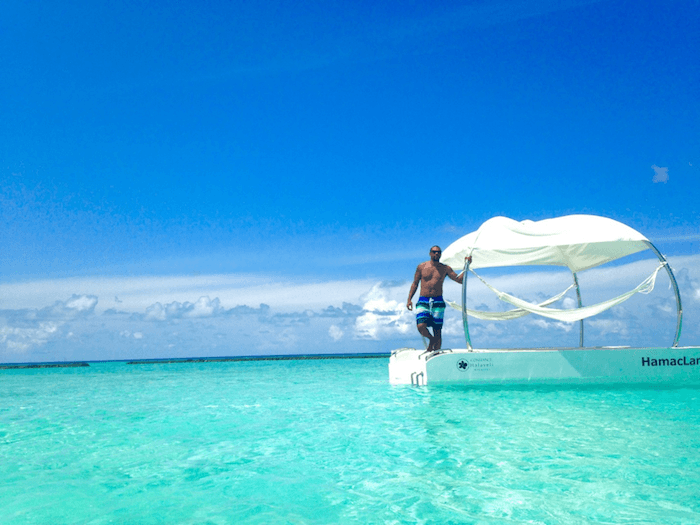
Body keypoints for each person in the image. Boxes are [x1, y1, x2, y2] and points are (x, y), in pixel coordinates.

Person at [406, 246, 468, 351]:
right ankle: (431, 339)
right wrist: (409, 299)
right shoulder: (421, 267)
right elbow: (415, 283)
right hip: (423, 299)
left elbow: (459, 280)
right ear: (430, 253)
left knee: (437, 329)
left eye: (439, 252)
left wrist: (466, 266)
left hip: (438, 300)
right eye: (434, 252)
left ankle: (436, 353)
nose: (436, 254)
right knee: (421, 325)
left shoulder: (445, 268)